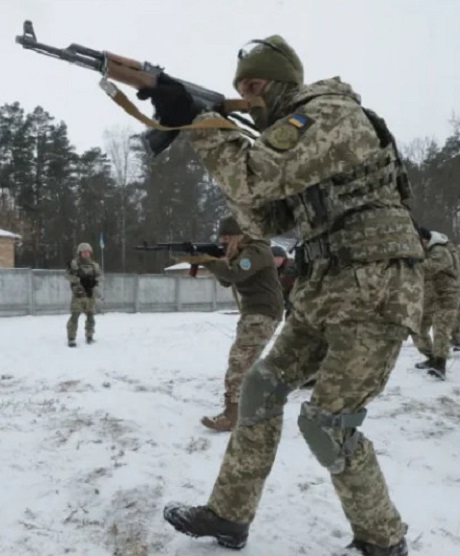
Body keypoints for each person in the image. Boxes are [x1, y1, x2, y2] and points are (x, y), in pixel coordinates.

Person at [140, 34, 422, 555]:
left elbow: (250, 180)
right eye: (238, 89)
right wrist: (203, 128)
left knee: (327, 425)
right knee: (261, 388)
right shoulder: (291, 140)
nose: (246, 96)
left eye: (252, 86)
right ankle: (229, 515)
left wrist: (202, 123)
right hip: (326, 286)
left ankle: (384, 541)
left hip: (377, 284)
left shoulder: (328, 113)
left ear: (279, 83)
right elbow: (265, 215)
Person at [183, 216, 282, 432]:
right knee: (245, 364)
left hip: (262, 313)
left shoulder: (257, 251)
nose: (224, 242)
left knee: (238, 363)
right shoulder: (244, 253)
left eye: (227, 237)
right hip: (255, 314)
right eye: (222, 238)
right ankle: (253, 405)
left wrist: (208, 261)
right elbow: (227, 279)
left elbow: (235, 274)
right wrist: (211, 261)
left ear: (239, 235)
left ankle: (232, 416)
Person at [410, 227, 460, 380]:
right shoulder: (428, 251)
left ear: (425, 240)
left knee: (440, 329)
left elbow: (428, 268)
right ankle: (431, 357)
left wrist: (412, 264)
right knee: (418, 327)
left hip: (447, 296)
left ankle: (440, 364)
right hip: (431, 296)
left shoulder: (440, 250)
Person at [66, 242, 102, 347]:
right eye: (84, 252)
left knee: (91, 317)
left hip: (90, 296)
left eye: (88, 252)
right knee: (74, 317)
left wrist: (94, 283)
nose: (86, 254)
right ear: (80, 253)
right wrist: (79, 280)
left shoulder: (94, 266)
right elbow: (68, 276)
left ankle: (89, 336)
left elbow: (100, 277)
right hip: (78, 296)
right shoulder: (74, 265)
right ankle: (71, 338)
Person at [271, 244, 297, 318]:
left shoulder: (290, 266)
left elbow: (282, 285)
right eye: (274, 258)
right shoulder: (277, 269)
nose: (276, 260)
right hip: (291, 304)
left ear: (284, 258)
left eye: (279, 258)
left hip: (297, 303)